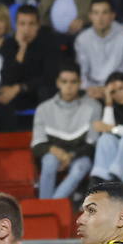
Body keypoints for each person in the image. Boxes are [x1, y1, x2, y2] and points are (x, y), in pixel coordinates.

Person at [34, 65, 100, 198]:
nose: (68, 86)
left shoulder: (93, 106)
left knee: (81, 166)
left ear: (80, 83)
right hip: (54, 153)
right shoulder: (44, 108)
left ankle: (49, 207)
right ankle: (47, 206)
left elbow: (91, 145)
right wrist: (59, 153)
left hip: (80, 155)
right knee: (49, 162)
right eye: (64, 82)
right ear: (57, 83)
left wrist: (70, 156)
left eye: (73, 82)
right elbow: (37, 145)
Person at [0, 4, 61, 130]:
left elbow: (50, 76)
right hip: (18, 94)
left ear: (38, 25)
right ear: (16, 25)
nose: (26, 29)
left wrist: (20, 87)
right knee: (2, 95)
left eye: (31, 24)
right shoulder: (9, 44)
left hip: (39, 92)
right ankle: (8, 144)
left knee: (46, 91)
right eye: (22, 24)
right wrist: (22, 49)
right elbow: (7, 79)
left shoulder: (49, 41)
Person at [75, 0, 123, 97]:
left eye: (104, 13)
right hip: (94, 91)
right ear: (90, 16)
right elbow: (82, 73)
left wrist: (113, 89)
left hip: (122, 89)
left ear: (113, 15)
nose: (100, 18)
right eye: (96, 13)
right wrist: (91, 89)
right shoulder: (82, 39)